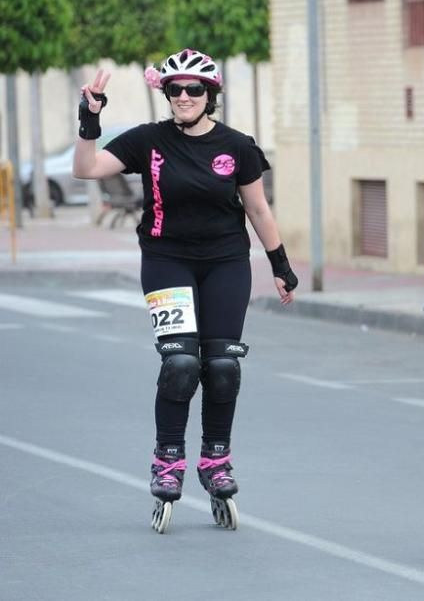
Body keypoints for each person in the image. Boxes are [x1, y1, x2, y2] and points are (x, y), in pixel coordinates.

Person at [72, 48, 299, 533]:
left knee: (221, 365)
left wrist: (280, 264)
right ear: (166, 94)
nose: (183, 97)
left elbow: (257, 210)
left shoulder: (237, 146)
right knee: (179, 362)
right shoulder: (148, 141)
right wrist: (89, 119)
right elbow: (86, 169)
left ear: (210, 94)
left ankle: (215, 458)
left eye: (194, 89)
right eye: (174, 89)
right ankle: (168, 457)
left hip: (226, 263)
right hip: (166, 259)